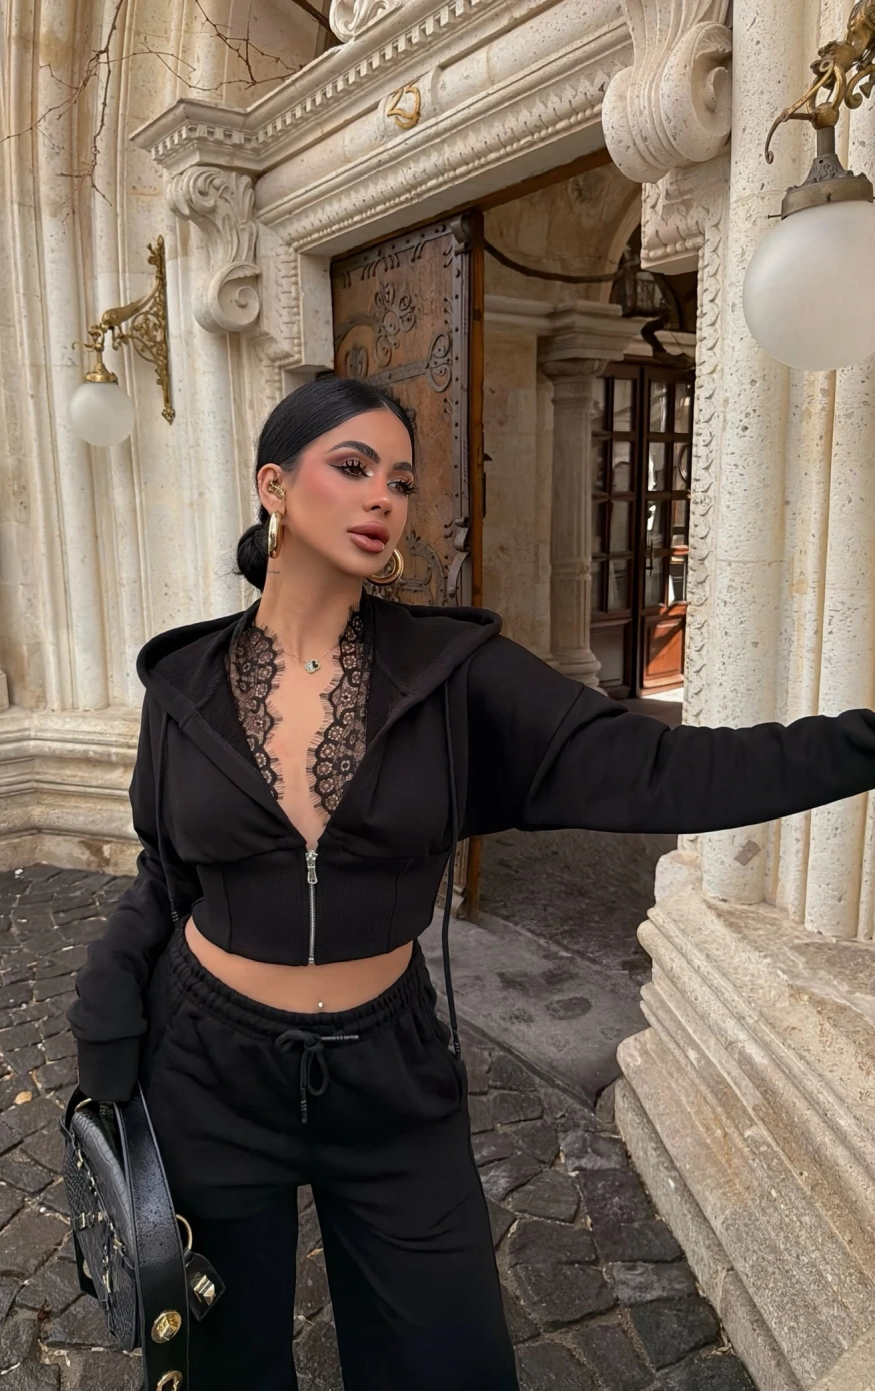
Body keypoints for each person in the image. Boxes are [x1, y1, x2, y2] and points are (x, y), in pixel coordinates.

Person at [67, 376, 875, 1390]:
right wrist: (108, 1005)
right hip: (205, 1067)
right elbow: (164, 869)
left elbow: (666, 768)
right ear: (274, 486)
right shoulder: (182, 682)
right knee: (226, 1364)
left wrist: (866, 742)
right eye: (352, 467)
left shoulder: (452, 672)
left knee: (448, 1362)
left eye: (401, 481)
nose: (383, 497)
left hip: (388, 1069)